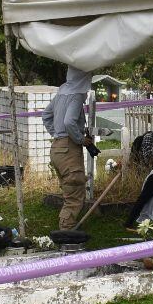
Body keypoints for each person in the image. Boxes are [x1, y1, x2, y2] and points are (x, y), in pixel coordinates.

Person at [43, 67, 94, 230]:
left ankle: (66, 227)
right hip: (68, 150)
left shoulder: (61, 93)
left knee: (69, 191)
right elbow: (69, 122)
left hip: (57, 148)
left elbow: (46, 115)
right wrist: (81, 139)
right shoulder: (76, 95)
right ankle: (67, 232)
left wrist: (57, 134)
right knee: (74, 193)